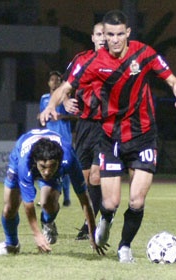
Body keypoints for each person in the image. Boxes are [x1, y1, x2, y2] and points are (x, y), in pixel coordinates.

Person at [40, 10, 176, 263]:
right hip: (110, 137)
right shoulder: (93, 62)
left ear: (128, 33)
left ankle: (124, 246)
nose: (114, 39)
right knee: (110, 203)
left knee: (137, 200)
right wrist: (50, 107)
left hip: (143, 135)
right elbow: (66, 88)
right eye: (109, 34)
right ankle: (107, 219)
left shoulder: (143, 53)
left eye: (119, 34)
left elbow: (173, 80)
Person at [0, 129, 106, 256]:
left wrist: (92, 231)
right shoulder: (25, 163)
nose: (47, 172)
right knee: (9, 208)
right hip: (19, 155)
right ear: (36, 161)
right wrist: (37, 235)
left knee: (48, 203)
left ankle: (48, 222)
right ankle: (12, 244)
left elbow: (84, 199)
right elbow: (28, 204)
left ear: (59, 161)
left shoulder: (69, 159)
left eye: (52, 166)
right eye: (43, 167)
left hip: (51, 160)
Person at [59, 22, 106, 240]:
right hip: (85, 125)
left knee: (96, 177)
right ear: (93, 37)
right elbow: (65, 84)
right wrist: (67, 101)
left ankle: (91, 227)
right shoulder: (81, 59)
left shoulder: (117, 62)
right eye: (99, 34)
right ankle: (94, 219)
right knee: (84, 180)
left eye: (106, 34)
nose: (103, 38)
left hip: (106, 125)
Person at [39, 70, 74, 207]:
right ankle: (46, 195)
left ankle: (67, 197)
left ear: (61, 82)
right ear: (48, 83)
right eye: (52, 79)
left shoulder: (66, 97)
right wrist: (42, 117)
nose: (54, 82)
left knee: (64, 167)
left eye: (57, 80)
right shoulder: (44, 98)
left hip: (64, 137)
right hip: (49, 137)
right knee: (47, 167)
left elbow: (76, 115)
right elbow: (42, 114)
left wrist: (62, 116)